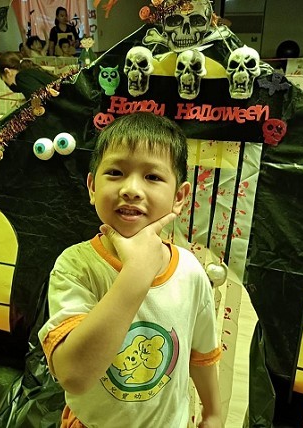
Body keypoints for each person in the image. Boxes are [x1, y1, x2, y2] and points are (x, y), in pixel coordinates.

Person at [38, 112, 222, 428]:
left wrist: (214, 412)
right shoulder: (76, 267)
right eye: (115, 172)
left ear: (179, 197)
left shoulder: (190, 272)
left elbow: (201, 353)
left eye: (152, 177)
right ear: (92, 187)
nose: (131, 189)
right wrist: (137, 272)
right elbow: (74, 375)